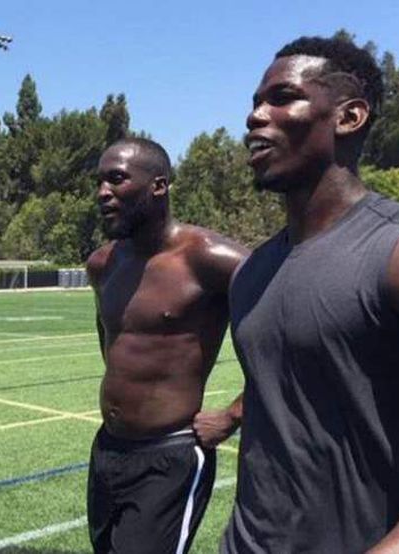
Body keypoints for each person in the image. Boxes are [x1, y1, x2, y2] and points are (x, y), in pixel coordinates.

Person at [217, 36, 399, 553]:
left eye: (281, 97)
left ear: (348, 118)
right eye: (255, 102)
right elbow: (283, 393)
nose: (256, 116)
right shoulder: (252, 272)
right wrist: (229, 417)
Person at [86, 137, 248, 554]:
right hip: (107, 450)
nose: (103, 192)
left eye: (117, 179)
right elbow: (111, 334)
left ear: (158, 185)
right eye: (100, 182)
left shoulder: (211, 258)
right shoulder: (103, 263)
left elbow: (294, 338)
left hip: (169, 457)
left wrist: (234, 414)